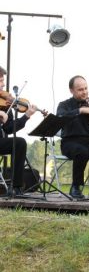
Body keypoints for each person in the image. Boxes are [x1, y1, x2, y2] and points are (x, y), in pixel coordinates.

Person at [0, 66, 37, 195]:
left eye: (3, 80)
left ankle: (16, 187)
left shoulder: (5, 103)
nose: (3, 84)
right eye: (0, 81)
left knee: (19, 142)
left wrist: (26, 116)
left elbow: (9, 129)